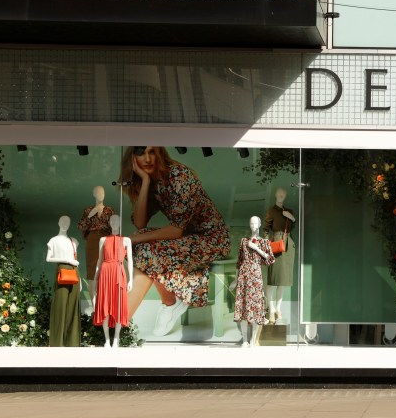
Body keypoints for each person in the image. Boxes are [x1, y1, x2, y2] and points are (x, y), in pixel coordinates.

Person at [118, 146, 230, 338]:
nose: (147, 158)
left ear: (160, 153)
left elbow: (175, 230)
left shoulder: (179, 176)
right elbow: (140, 222)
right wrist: (145, 181)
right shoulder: (154, 182)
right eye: (141, 153)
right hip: (188, 239)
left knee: (142, 247)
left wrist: (131, 239)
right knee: (142, 243)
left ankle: (121, 324)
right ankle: (165, 305)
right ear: (132, 158)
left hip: (212, 239)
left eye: (152, 152)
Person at [232, 216, 275, 347]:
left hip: (256, 277)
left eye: (256, 223)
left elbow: (270, 259)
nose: (253, 226)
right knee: (244, 308)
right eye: (251, 223)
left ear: (260, 224)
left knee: (256, 309)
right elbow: (239, 262)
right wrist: (235, 279)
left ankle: (253, 340)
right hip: (244, 277)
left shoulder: (264, 242)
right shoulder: (244, 241)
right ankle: (245, 339)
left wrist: (256, 248)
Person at [92, 214, 134, 348]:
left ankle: (116, 339)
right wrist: (95, 277)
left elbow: (130, 262)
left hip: (119, 272)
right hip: (105, 272)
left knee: (119, 305)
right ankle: (107, 340)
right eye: (112, 220)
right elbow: (99, 260)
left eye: (117, 220)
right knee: (104, 304)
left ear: (120, 222)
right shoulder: (103, 240)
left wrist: (131, 280)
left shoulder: (126, 240)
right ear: (109, 223)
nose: (115, 222)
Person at [45, 216, 81, 347]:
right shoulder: (53, 240)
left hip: (74, 273)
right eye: (63, 221)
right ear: (58, 222)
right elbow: (48, 259)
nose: (65, 224)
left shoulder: (74, 241)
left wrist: (80, 280)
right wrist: (67, 260)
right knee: (60, 306)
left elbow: (75, 260)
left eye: (68, 222)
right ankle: (57, 343)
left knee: (72, 308)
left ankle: (71, 342)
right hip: (62, 271)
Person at [263, 187, 296, 324]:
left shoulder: (289, 211)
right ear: (275, 195)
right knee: (272, 280)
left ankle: (278, 308)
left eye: (283, 194)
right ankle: (270, 309)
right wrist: (265, 246)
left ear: (285, 196)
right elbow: (265, 229)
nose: (281, 195)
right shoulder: (271, 211)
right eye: (279, 193)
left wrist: (292, 218)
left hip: (288, 245)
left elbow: (293, 227)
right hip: (276, 244)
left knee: (282, 280)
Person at [77, 185, 114, 297]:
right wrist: (90, 216)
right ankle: (94, 305)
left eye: (102, 192)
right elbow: (81, 226)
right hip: (92, 240)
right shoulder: (88, 210)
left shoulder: (109, 210)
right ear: (93, 194)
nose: (101, 195)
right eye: (98, 192)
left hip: (106, 238)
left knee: (106, 268)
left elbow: (114, 227)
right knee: (92, 271)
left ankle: (105, 303)